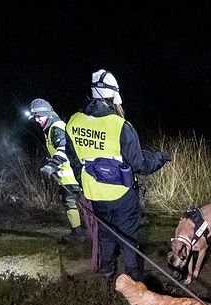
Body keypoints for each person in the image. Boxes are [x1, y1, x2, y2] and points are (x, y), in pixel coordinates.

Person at [64, 69, 171, 281]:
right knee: (128, 237)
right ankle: (135, 279)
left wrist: (84, 184)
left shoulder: (73, 121)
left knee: (105, 234)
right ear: (113, 96)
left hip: (94, 194)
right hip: (122, 194)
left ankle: (107, 273)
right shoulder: (121, 125)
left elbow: (74, 160)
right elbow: (140, 165)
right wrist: (161, 157)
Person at [27, 98, 86, 243]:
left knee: (71, 203)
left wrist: (53, 165)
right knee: (79, 203)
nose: (37, 120)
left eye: (39, 116)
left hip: (72, 176)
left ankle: (78, 234)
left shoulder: (56, 127)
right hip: (70, 175)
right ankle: (84, 231)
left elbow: (64, 149)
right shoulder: (51, 128)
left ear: (47, 113)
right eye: (35, 117)